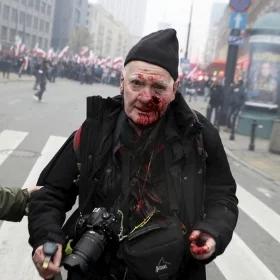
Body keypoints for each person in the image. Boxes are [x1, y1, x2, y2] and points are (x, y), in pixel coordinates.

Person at [28, 29, 238, 280]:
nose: (146, 97)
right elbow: (50, 193)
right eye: (137, 83)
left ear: (175, 89)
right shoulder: (94, 131)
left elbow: (222, 198)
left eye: (158, 87)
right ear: (122, 82)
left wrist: (212, 231)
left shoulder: (199, 136)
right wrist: (47, 238)